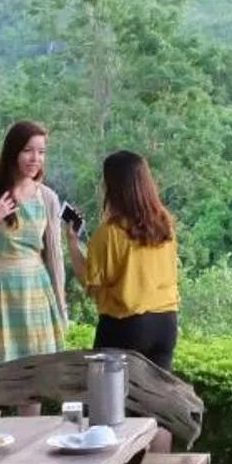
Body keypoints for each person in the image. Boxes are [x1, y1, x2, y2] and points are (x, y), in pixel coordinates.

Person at [0, 120, 67, 365]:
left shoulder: (47, 198)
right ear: (13, 151)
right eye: (28, 150)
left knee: (34, 378)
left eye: (41, 152)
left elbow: (56, 257)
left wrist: (61, 305)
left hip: (36, 292)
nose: (35, 158)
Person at [68, 149, 180, 371]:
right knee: (152, 401)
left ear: (113, 187)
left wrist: (72, 242)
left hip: (127, 325)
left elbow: (89, 280)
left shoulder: (110, 233)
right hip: (166, 323)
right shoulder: (165, 226)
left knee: (106, 399)